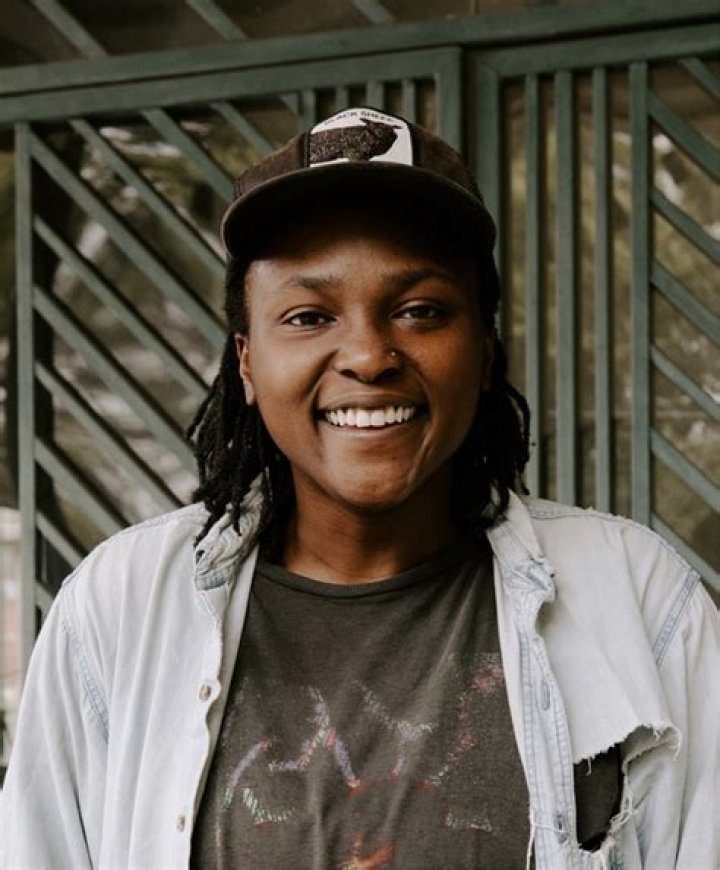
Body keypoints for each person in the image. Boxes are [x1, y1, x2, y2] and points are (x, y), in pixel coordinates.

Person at [1, 106, 717, 869]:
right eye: (309, 316)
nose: (369, 356)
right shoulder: (120, 609)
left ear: (483, 351)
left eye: (420, 311)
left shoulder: (638, 602)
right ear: (247, 362)